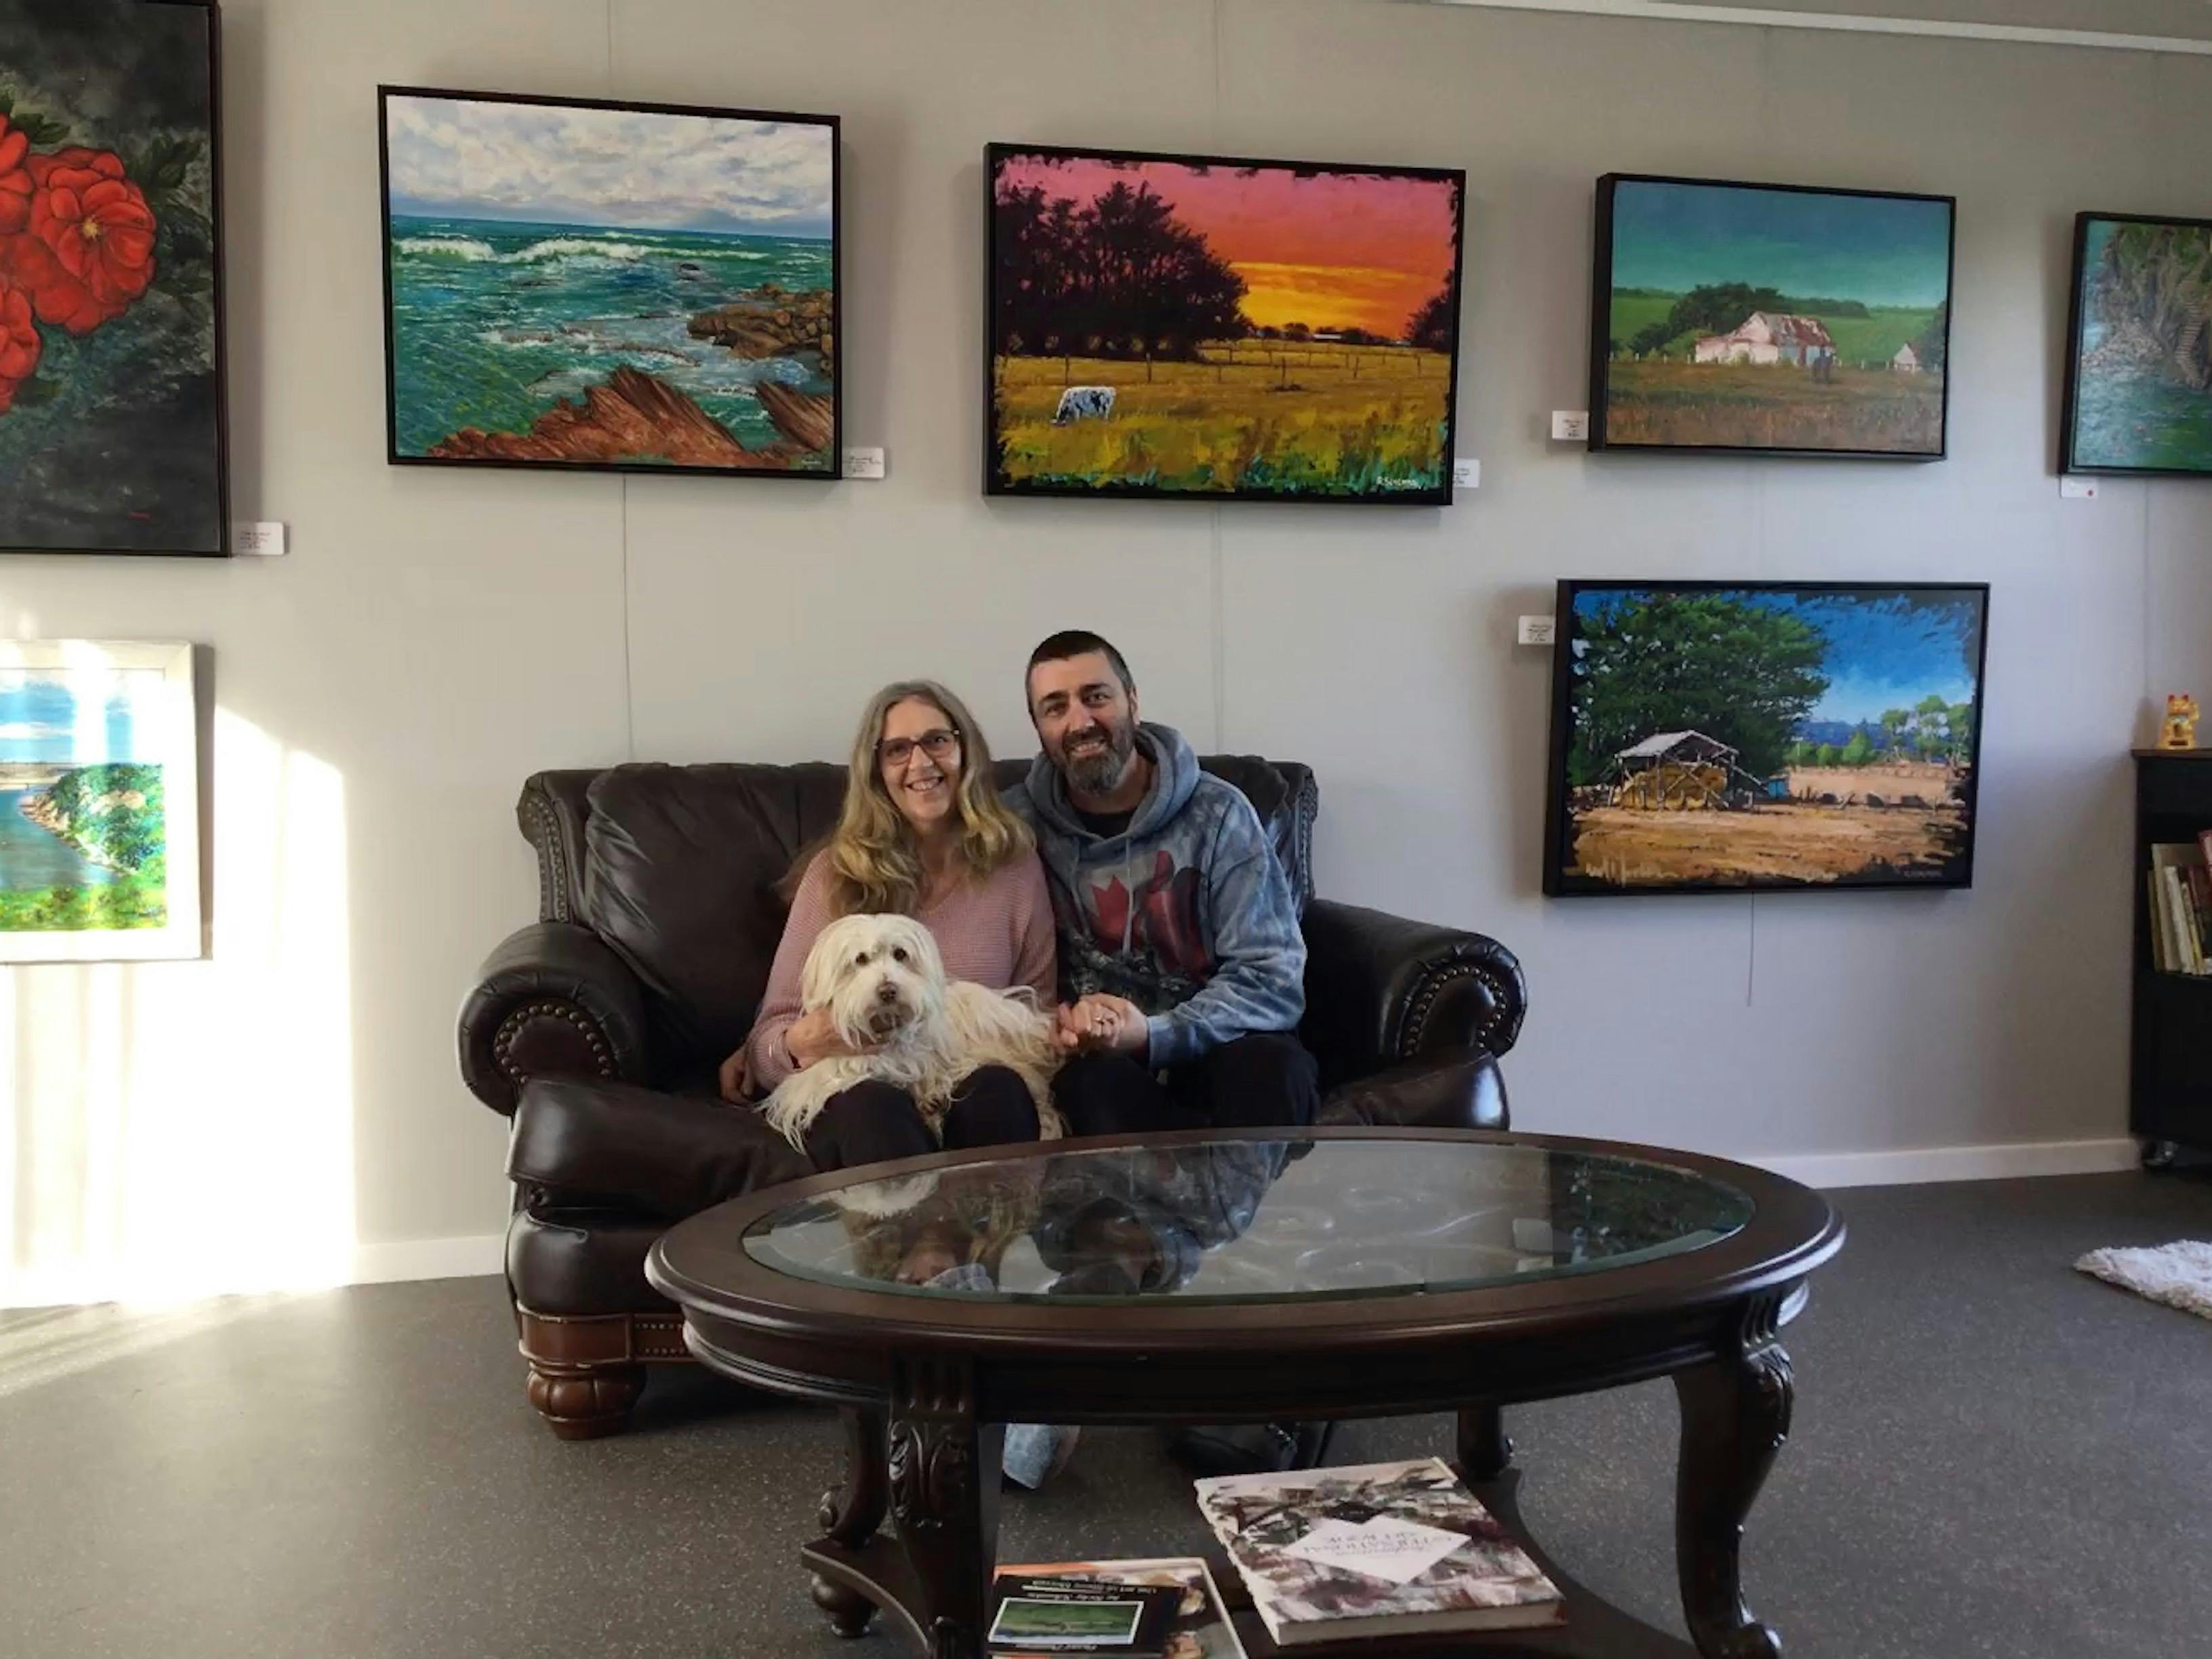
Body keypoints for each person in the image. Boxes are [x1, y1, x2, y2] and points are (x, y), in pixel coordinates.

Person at [720, 679, 1055, 1172]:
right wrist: (802, 1043)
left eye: (938, 741)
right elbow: (771, 1035)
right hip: (866, 1094)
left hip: (968, 1081)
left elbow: (1036, 1015)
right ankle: (917, 1247)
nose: (921, 764)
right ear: (875, 771)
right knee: (875, 1105)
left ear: (967, 751)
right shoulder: (835, 874)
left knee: (999, 1089)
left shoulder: (1014, 867)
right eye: (897, 750)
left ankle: (990, 1240)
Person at [1007, 630, 1320, 1136]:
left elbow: (1272, 978)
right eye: (1055, 707)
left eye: (1096, 697)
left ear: (1132, 702)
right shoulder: (1013, 829)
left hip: (1221, 1043)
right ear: (1038, 726)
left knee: (1273, 1072)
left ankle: (1244, 1215)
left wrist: (1155, 1035)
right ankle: (1164, 1213)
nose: (1080, 722)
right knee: (1086, 1091)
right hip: (1095, 1059)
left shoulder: (1218, 814)